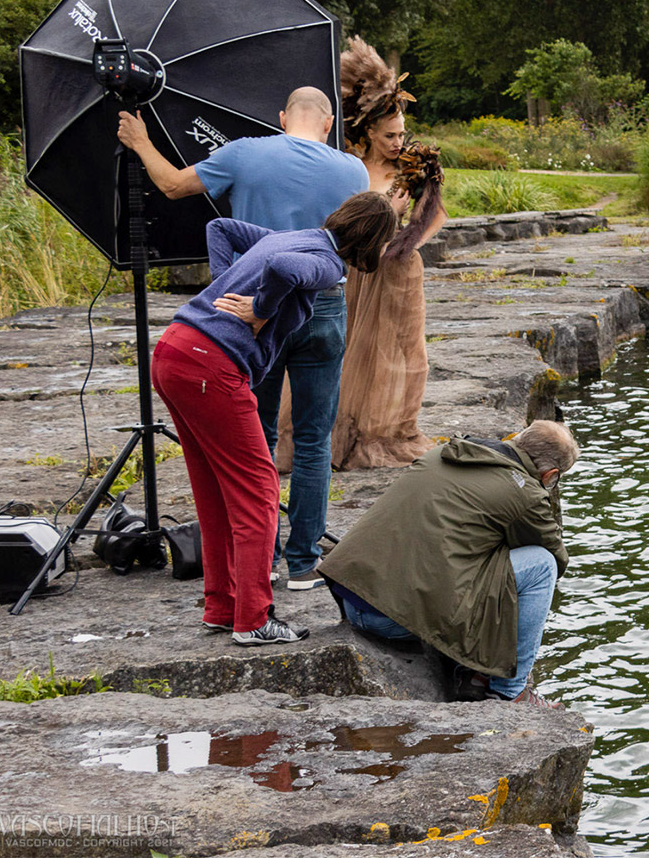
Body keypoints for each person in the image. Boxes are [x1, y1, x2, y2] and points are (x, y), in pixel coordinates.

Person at [118, 88, 369, 592]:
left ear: (282, 117)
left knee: (257, 435)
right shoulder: (353, 171)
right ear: (328, 122)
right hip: (323, 306)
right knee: (316, 437)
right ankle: (303, 565)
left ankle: (263, 557)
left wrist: (142, 142)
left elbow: (170, 186)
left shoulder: (244, 152)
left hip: (256, 310)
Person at [149, 194, 397, 645]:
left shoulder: (294, 236)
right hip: (211, 365)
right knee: (259, 493)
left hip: (174, 350)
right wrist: (258, 312)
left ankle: (222, 607)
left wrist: (228, 285)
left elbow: (219, 228)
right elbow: (284, 270)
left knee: (214, 490)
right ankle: (253, 620)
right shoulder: (328, 264)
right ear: (372, 240)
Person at [319, 420, 578, 707]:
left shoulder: (444, 452)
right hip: (389, 619)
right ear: (550, 474)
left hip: (353, 596)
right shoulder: (525, 493)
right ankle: (510, 690)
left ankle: (471, 669)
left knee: (483, 558)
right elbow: (555, 556)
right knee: (541, 566)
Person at [278, 37, 447, 471]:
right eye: (389, 135)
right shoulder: (348, 166)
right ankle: (331, 431)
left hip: (398, 270)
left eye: (402, 134)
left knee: (401, 354)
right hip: (357, 268)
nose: (398, 141)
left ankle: (384, 430)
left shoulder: (414, 167)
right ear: (369, 132)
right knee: (349, 348)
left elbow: (436, 218)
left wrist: (403, 237)